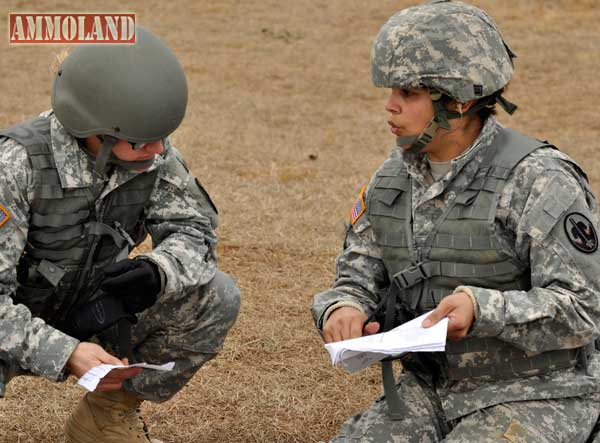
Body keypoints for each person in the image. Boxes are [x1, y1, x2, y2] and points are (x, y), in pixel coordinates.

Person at [312, 1, 600, 441]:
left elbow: (584, 308)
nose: (390, 106)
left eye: (408, 93)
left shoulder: (539, 181)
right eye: (391, 91)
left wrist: (482, 309)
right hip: (431, 386)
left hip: (538, 392)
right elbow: (356, 275)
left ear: (460, 101)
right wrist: (343, 307)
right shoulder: (392, 180)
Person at [0, 27, 240, 443]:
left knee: (215, 296)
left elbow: (195, 230)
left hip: (93, 309)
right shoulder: (15, 165)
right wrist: (65, 352)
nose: (160, 151)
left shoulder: (149, 152)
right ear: (95, 130)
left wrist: (157, 270)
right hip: (13, 319)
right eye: (142, 143)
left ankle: (103, 419)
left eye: (161, 138)